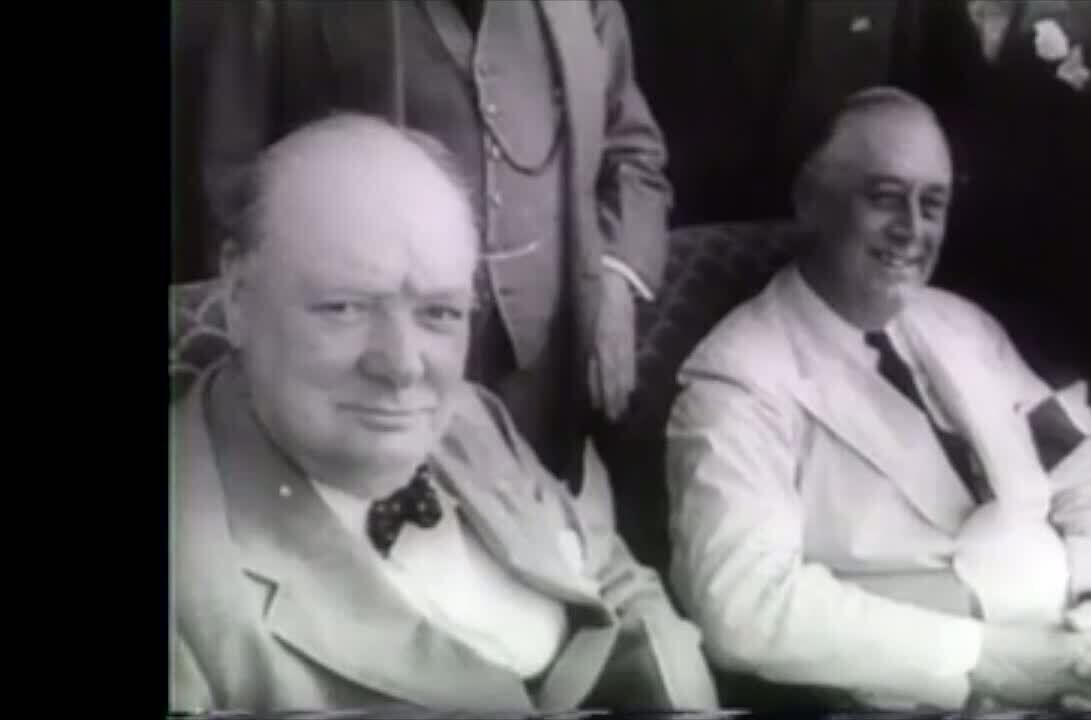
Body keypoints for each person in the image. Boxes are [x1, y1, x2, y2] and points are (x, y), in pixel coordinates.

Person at [170, 115, 716, 713]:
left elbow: (610, 576)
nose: (404, 367)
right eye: (345, 307)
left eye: (440, 313)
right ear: (239, 298)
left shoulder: (469, 417)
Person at [664, 87, 1091, 712]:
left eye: (933, 204)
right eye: (884, 197)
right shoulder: (740, 379)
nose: (912, 229)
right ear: (810, 202)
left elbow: (1085, 478)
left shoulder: (963, 326)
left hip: (1076, 664)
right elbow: (741, 607)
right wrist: (985, 658)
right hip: (917, 697)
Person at [202, 0, 671, 492]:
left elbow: (632, 154)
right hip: (373, 368)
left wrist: (615, 277)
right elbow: (236, 188)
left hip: (545, 369)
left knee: (527, 522)